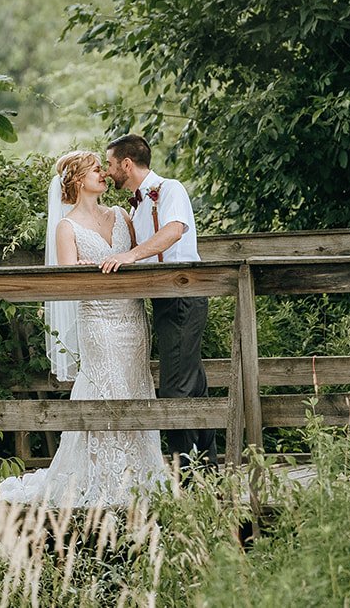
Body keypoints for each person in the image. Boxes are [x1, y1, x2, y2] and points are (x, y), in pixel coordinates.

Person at [0, 150, 169, 506]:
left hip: (134, 321)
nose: (103, 174)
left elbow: (140, 255)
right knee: (107, 390)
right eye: (95, 170)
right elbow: (65, 281)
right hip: (99, 322)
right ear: (76, 180)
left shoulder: (122, 215)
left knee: (136, 388)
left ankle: (140, 473)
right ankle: (105, 476)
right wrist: (82, 269)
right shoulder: (67, 227)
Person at [99, 134, 216, 468]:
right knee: (193, 385)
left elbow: (174, 230)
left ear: (126, 163)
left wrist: (133, 255)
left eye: (110, 164)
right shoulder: (135, 205)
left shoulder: (169, 189)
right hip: (164, 298)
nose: (108, 172)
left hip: (182, 293)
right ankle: (208, 471)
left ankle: (189, 476)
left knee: (175, 390)